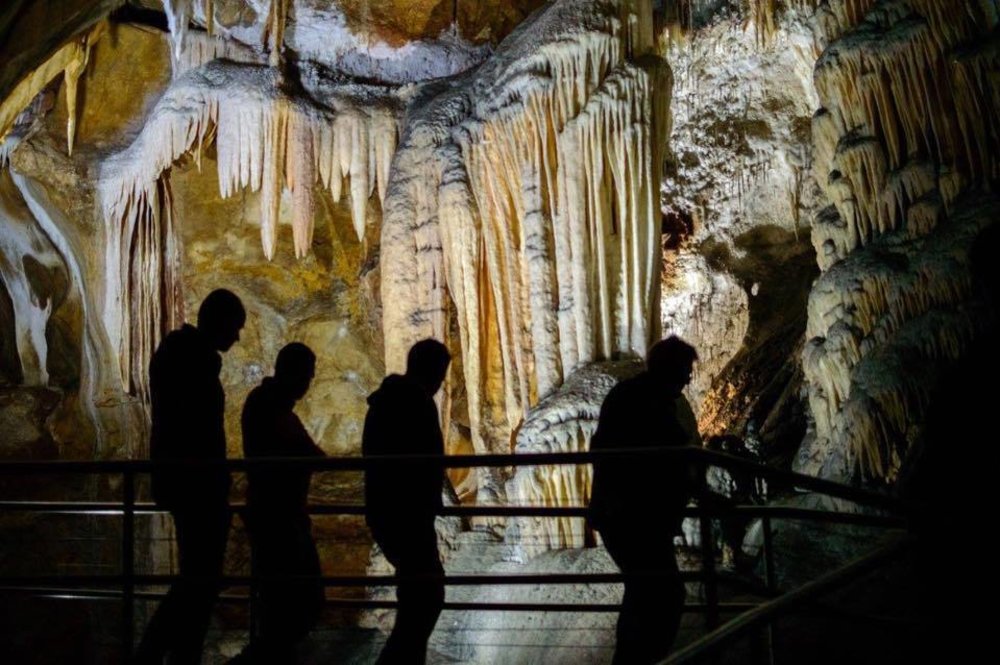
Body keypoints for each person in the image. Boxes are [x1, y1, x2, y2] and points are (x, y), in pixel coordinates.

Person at [135, 289, 246, 665]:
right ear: (220, 322)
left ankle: (180, 654)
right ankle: (159, 654)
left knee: (199, 580)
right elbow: (195, 431)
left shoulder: (183, 358)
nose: (238, 337)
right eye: (236, 327)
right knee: (199, 581)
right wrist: (214, 477)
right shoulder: (191, 363)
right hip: (195, 487)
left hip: (190, 484)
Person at [587, 336, 701, 665]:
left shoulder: (642, 397)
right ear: (670, 368)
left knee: (645, 593)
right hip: (633, 518)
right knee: (661, 594)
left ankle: (634, 659)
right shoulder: (642, 400)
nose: (688, 378)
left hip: (632, 516)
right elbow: (657, 460)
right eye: (685, 370)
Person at [362, 339, 451, 665]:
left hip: (388, 513)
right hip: (407, 514)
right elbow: (425, 460)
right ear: (428, 370)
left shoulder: (384, 402)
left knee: (419, 595)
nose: (441, 383)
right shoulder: (414, 403)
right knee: (426, 596)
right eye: (440, 374)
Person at [236, 342, 326, 663]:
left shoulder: (273, 406)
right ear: (292, 372)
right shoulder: (268, 406)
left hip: (278, 514)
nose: (308, 384)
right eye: (306, 377)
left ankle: (271, 651)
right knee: (291, 598)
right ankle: (267, 655)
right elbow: (306, 453)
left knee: (287, 598)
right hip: (277, 517)